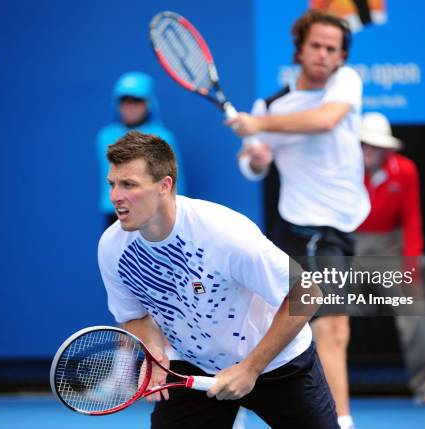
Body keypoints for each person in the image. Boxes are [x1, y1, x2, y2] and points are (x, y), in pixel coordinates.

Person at [97, 130, 339, 429]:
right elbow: (133, 315)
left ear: (164, 185)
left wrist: (250, 368)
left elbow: (307, 293)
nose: (115, 196)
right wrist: (154, 350)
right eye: (112, 184)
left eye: (128, 185)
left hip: (277, 362)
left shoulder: (224, 234)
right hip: (193, 366)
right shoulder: (112, 248)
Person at [230, 10, 369, 429]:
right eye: (316, 46)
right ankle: (341, 423)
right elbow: (250, 163)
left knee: (282, 328)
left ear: (341, 55)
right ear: (300, 49)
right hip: (306, 229)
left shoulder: (345, 83)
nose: (325, 55)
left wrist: (258, 125)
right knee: (332, 329)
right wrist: (255, 156)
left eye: (333, 48)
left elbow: (325, 120)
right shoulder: (271, 105)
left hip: (340, 229)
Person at [356, 112, 425, 406]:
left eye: (375, 145)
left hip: (389, 249)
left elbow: (412, 222)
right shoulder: (340, 169)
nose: (368, 151)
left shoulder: (406, 171)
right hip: (345, 247)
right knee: (314, 310)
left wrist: (411, 266)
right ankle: (310, 389)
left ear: (388, 149)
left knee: (415, 307)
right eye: (363, 144)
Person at [97, 71, 186, 228]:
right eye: (125, 100)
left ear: (149, 103)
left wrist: (175, 211)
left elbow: (176, 182)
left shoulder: (164, 137)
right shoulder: (104, 136)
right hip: (115, 214)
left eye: (136, 100)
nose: (130, 106)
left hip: (154, 213)